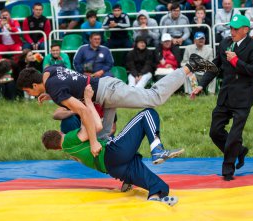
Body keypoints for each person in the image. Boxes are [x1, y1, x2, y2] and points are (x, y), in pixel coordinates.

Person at [17, 54, 218, 157]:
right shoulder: (49, 71)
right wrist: (50, 95)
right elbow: (71, 84)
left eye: (29, 91)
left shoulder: (53, 88)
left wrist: (93, 142)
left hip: (107, 92)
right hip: (102, 94)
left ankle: (190, 66)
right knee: (105, 138)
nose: (31, 95)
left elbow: (84, 111)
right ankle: (128, 175)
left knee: (154, 97)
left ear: (34, 85)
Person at [42, 85, 183, 205]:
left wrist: (88, 105)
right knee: (147, 113)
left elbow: (96, 125)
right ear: (59, 133)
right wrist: (87, 102)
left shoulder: (70, 151)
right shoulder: (68, 139)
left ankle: (154, 198)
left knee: (158, 187)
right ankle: (157, 149)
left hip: (114, 169)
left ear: (57, 148)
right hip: (113, 153)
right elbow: (94, 127)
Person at [190, 14, 253, 181]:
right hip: (225, 95)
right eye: (230, 28)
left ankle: (227, 170)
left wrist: (236, 60)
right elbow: (215, 66)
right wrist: (201, 85)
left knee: (233, 136)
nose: (232, 31)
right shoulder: (225, 43)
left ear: (246, 30)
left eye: (236, 29)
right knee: (214, 132)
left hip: (243, 98)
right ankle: (240, 151)